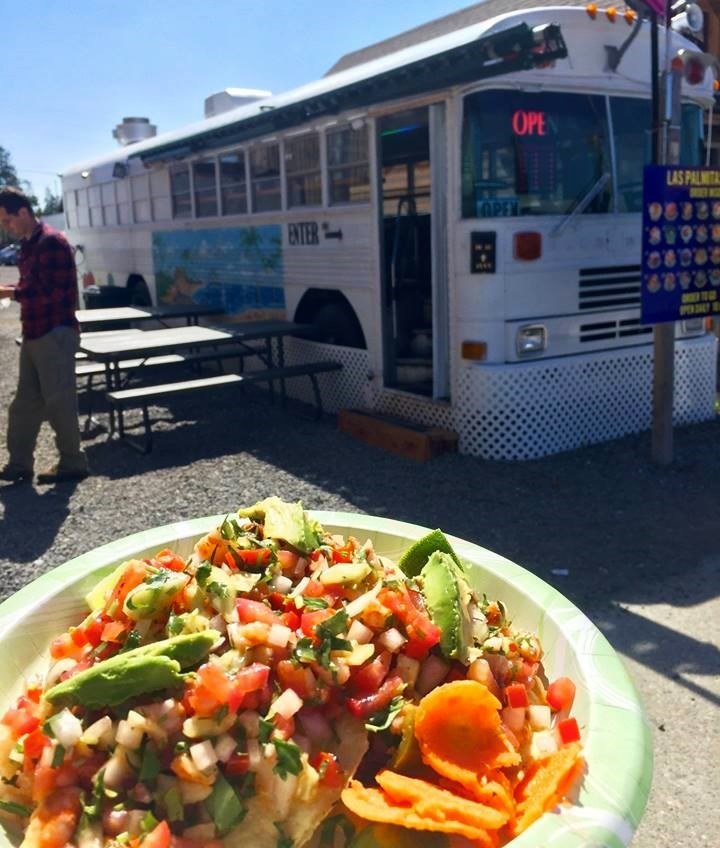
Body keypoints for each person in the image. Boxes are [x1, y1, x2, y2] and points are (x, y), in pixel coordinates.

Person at [0, 187, 89, 484]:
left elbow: (50, 292)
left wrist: (10, 292)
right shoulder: (30, 243)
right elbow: (34, 286)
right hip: (36, 332)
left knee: (59, 401)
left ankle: (73, 462)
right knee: (24, 403)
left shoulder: (51, 242)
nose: (5, 227)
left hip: (55, 332)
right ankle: (20, 464)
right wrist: (16, 291)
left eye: (7, 220)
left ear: (22, 212)